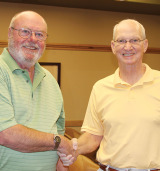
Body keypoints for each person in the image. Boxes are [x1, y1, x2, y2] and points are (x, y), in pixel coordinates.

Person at [59, 19, 160, 171]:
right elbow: (93, 137)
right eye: (121, 41)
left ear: (145, 45)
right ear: (113, 47)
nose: (128, 46)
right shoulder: (100, 88)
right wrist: (71, 147)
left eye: (134, 40)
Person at [0, 11, 75, 171]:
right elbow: (5, 134)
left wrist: (62, 159)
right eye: (25, 31)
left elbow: (59, 131)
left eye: (39, 34)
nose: (33, 39)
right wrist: (58, 142)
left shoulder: (50, 80)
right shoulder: (1, 72)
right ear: (9, 33)